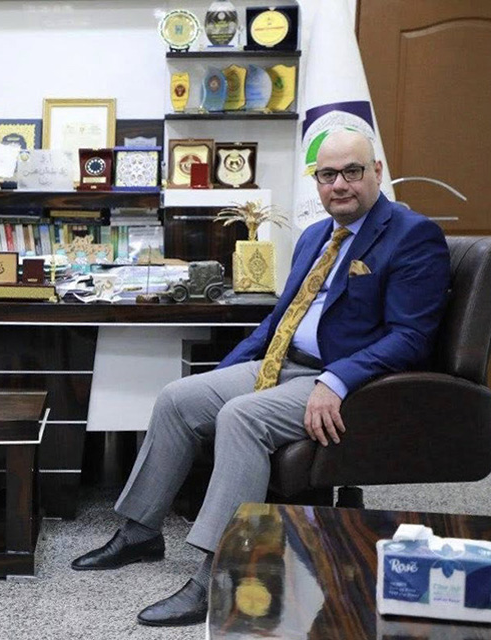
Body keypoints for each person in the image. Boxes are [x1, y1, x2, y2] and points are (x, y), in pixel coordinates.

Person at [71, 129, 451, 626]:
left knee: (241, 417)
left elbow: (410, 337)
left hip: (345, 379)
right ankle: (140, 532)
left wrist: (336, 381)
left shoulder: (412, 235)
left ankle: (221, 571)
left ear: (376, 171)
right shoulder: (315, 236)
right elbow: (278, 320)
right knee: (178, 398)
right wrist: (227, 371)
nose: (339, 184)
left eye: (352, 171)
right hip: (285, 361)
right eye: (327, 174)